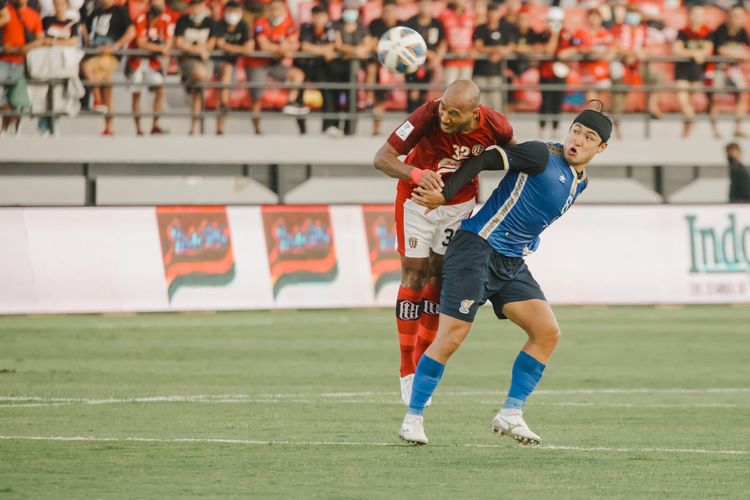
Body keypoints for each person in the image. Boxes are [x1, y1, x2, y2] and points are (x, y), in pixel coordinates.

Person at [398, 105, 612, 445]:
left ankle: (511, 414)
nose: (578, 140)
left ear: (600, 149)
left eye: (589, 138)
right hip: (477, 249)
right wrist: (445, 193)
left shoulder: (579, 182)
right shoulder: (541, 154)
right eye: (576, 131)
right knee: (451, 337)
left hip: (511, 262)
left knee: (547, 333)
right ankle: (413, 417)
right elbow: (483, 160)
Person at [372, 79, 514, 406]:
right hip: (416, 201)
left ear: (474, 112)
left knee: (438, 277)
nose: (446, 118)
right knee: (413, 275)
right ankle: (406, 370)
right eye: (444, 109)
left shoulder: (496, 125)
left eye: (454, 114)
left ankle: (422, 363)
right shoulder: (428, 114)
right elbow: (382, 158)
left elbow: (513, 156)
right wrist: (415, 173)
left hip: (458, 205)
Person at [246, 0, 310, 135]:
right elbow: (264, 46)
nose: (276, 12)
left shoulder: (288, 24)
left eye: (279, 8)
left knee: (298, 75)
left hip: (273, 63)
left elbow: (295, 45)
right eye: (273, 8)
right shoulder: (261, 23)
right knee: (257, 97)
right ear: (269, 9)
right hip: (257, 64)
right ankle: (257, 129)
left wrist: (280, 49)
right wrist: (282, 49)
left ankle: (290, 103)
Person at [82, 0, 134, 136]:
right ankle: (109, 128)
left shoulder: (120, 11)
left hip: (109, 55)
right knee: (107, 93)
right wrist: (86, 38)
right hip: (95, 53)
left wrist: (115, 46)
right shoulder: (95, 12)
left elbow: (131, 32)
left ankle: (97, 101)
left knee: (86, 67)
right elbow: (86, 30)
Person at [127, 0, 173, 136]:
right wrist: (160, 48)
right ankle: (138, 128)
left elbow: (169, 40)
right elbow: (141, 43)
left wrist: (164, 48)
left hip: (153, 62)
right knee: (137, 93)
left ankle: (155, 124)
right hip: (137, 62)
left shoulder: (165, 19)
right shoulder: (141, 18)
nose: (158, 6)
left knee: (160, 89)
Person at [0, 0, 44, 136]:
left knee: (18, 99)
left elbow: (40, 39)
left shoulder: (33, 15)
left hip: (21, 63)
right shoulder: (4, 12)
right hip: (3, 60)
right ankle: (6, 118)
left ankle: (8, 129)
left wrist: (27, 47)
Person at [38, 0, 80, 136]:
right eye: (56, 4)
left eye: (61, 4)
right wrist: (61, 42)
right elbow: (42, 39)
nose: (58, 7)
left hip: (62, 65)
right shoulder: (46, 20)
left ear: (66, 6)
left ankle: (54, 125)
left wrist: (54, 41)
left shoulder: (72, 22)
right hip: (47, 63)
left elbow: (74, 41)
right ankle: (43, 126)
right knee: (43, 95)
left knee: (58, 96)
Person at [174, 0, 215, 135]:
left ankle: (194, 128)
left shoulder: (209, 21)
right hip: (189, 60)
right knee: (199, 76)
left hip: (204, 61)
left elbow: (212, 43)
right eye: (195, 5)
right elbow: (179, 43)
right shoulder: (183, 21)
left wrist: (199, 50)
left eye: (200, 5)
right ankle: (189, 83)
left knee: (197, 94)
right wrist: (197, 50)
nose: (197, 8)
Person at [673, 5, 713, 139]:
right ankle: (692, 120)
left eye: (700, 14)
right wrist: (694, 53)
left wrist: (699, 53)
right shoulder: (683, 32)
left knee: (691, 103)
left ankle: (685, 135)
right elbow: (677, 49)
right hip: (683, 70)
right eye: (695, 14)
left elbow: (708, 49)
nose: (697, 17)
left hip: (697, 72)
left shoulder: (707, 32)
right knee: (682, 99)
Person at [709, 5, 749, 139]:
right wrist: (740, 54)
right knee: (715, 98)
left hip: (734, 69)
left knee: (741, 94)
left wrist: (740, 54)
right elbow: (720, 50)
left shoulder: (742, 31)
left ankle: (738, 127)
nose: (737, 19)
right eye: (735, 16)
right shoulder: (721, 30)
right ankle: (715, 129)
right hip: (718, 69)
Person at [331, 0, 369, 135]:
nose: (351, 11)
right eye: (348, 8)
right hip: (337, 68)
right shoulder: (336, 24)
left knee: (353, 99)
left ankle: (350, 130)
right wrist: (356, 51)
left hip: (353, 71)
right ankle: (334, 127)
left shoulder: (361, 25)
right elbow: (338, 45)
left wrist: (349, 52)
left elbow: (367, 45)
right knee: (336, 97)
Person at [297, 4, 336, 135]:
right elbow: (305, 46)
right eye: (316, 16)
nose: (318, 19)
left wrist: (322, 51)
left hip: (320, 67)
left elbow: (331, 48)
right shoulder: (306, 27)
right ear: (312, 17)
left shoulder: (330, 28)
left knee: (327, 91)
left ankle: (327, 127)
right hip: (303, 66)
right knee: (299, 97)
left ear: (326, 17)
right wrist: (322, 51)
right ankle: (302, 129)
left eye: (321, 16)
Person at [214, 0, 251, 135]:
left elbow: (249, 48)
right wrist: (239, 49)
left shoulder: (243, 25)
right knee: (225, 80)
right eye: (231, 11)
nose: (233, 15)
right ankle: (222, 108)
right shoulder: (219, 24)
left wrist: (231, 49)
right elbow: (220, 44)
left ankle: (220, 129)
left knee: (225, 93)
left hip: (232, 64)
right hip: (217, 63)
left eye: (236, 12)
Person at [405, 0, 446, 113]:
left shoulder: (437, 23)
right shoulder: (410, 22)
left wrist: (437, 58)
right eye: (422, 4)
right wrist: (426, 52)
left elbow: (443, 42)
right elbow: (407, 43)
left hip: (429, 64)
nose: (425, 7)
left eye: (427, 4)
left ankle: (421, 119)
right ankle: (411, 118)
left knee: (424, 92)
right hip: (413, 63)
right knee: (413, 91)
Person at [366, 0, 399, 135]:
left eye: (391, 11)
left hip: (396, 67)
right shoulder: (376, 24)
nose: (388, 15)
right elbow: (372, 45)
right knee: (378, 98)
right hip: (378, 65)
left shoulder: (402, 27)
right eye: (386, 11)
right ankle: (376, 128)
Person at [472, 2, 513, 111]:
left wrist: (499, 54)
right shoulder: (481, 28)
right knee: (480, 107)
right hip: (480, 72)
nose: (492, 16)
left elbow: (510, 46)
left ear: (499, 14)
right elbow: (478, 47)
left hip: (496, 72)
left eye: (494, 13)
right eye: (490, 14)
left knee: (496, 106)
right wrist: (496, 49)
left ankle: (496, 128)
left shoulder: (505, 28)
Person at [439, 0, 475, 84]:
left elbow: (476, 35)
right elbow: (441, 36)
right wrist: (449, 49)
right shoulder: (444, 15)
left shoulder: (471, 16)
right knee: (450, 89)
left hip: (467, 60)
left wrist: (473, 49)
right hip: (450, 59)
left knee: (464, 90)